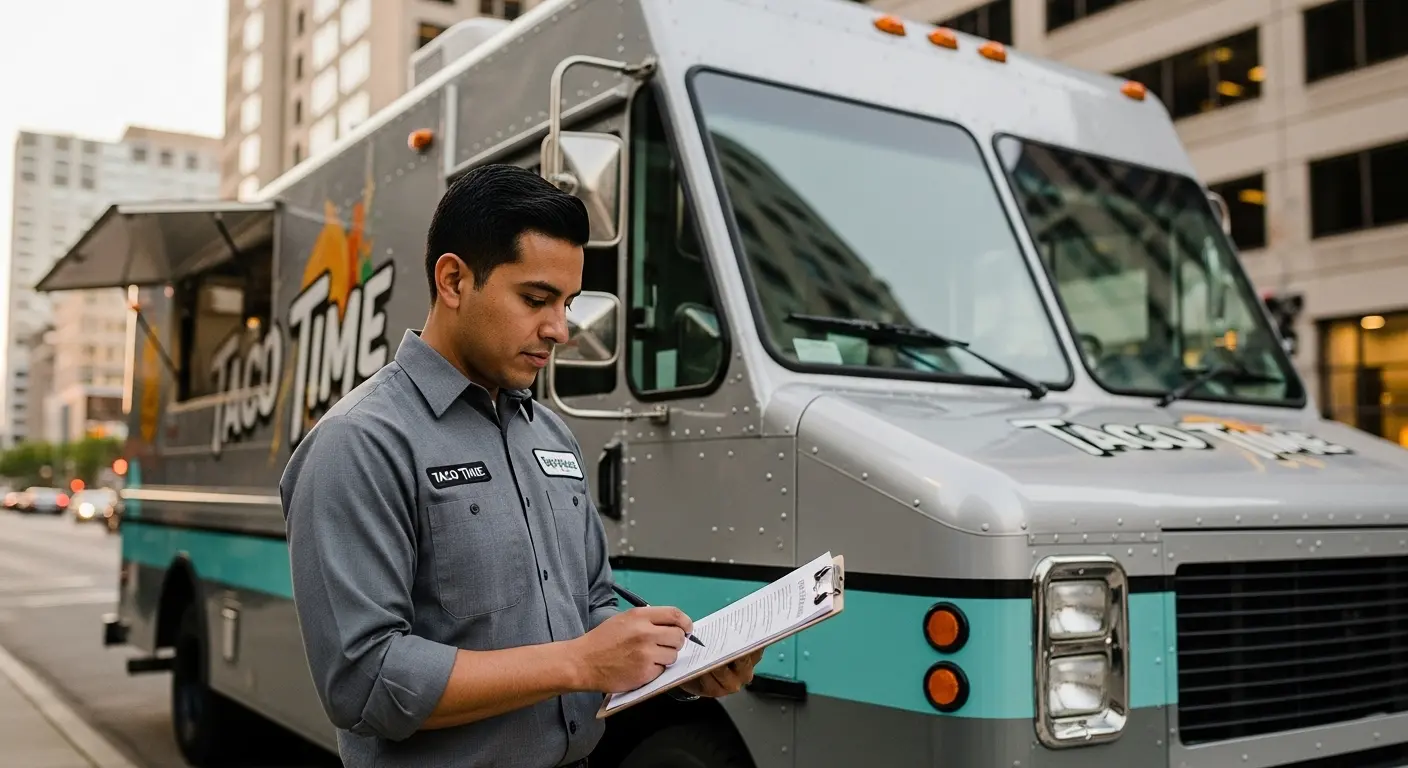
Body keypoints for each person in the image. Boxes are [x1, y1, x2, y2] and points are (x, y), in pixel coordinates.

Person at [280, 164, 763, 767]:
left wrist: (671, 660)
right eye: (536, 299)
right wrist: (581, 663)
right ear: (454, 280)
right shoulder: (358, 443)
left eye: (567, 303)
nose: (560, 329)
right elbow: (366, 683)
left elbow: (591, 602)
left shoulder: (549, 433)